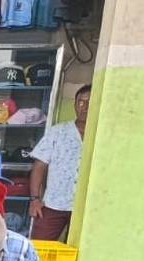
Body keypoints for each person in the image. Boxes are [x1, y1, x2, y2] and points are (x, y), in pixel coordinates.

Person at [29, 84, 91, 241]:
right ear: (75, 105)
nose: (85, 107)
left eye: (90, 102)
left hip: (87, 207)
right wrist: (35, 200)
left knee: (78, 250)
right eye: (81, 102)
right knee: (39, 247)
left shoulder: (100, 134)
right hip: (54, 203)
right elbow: (39, 167)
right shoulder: (58, 131)